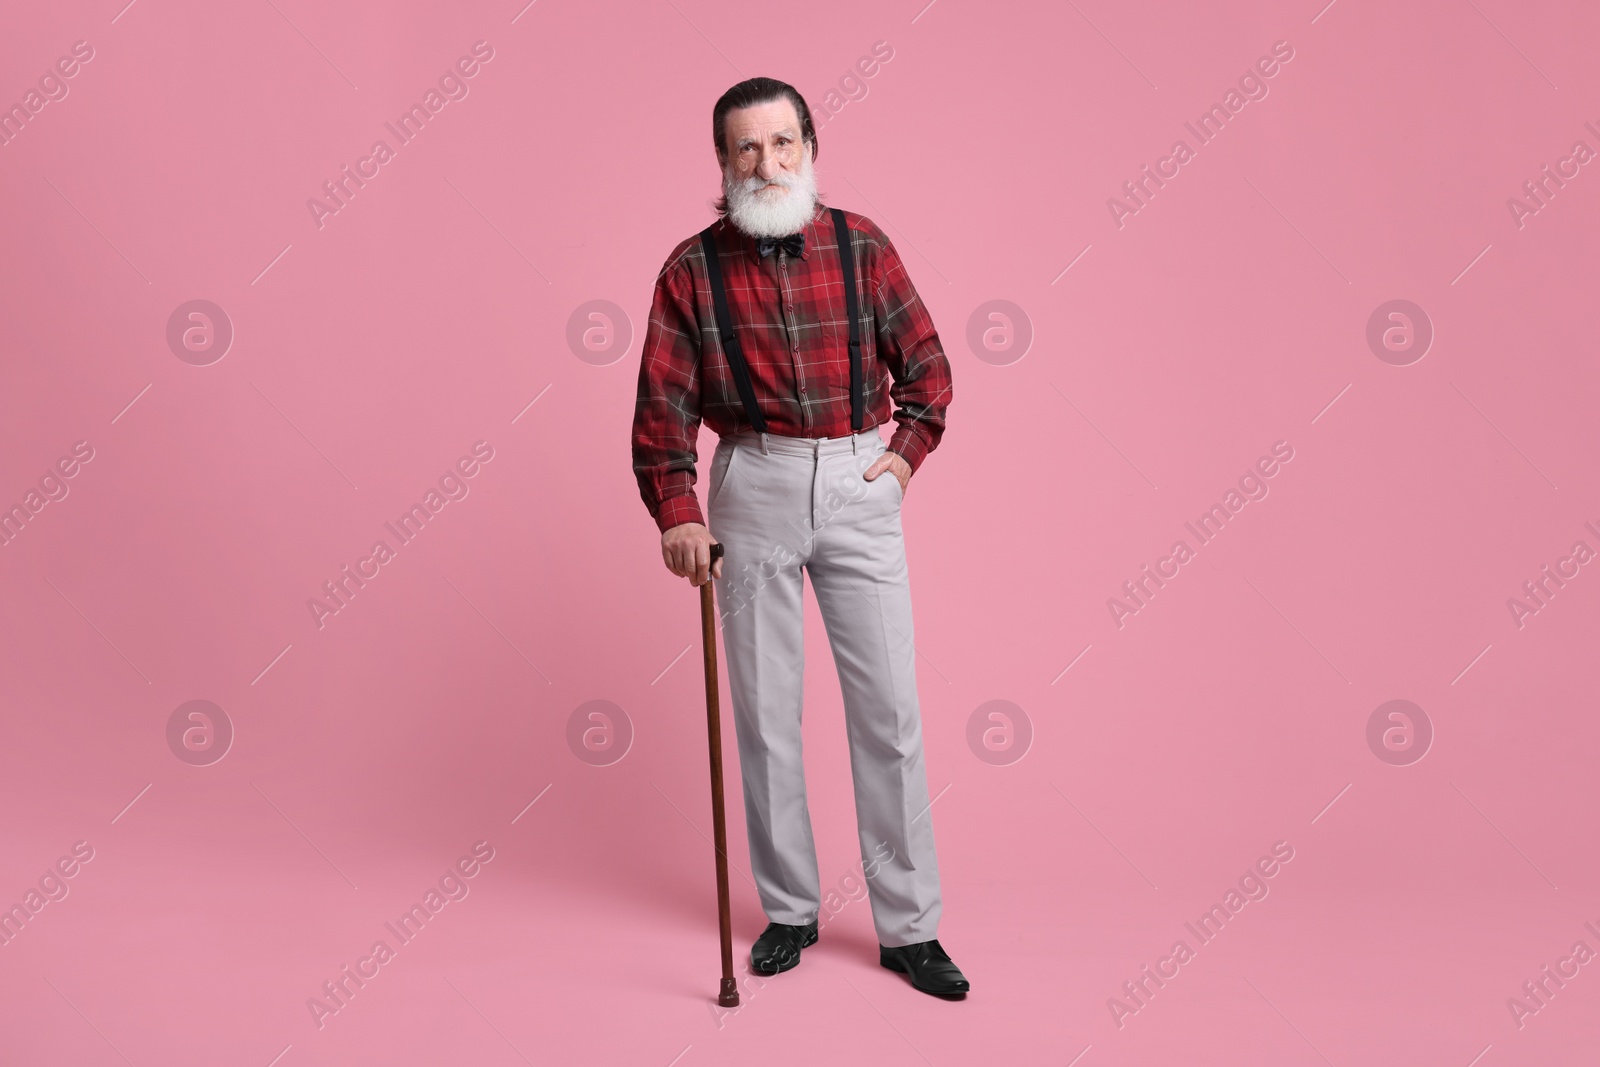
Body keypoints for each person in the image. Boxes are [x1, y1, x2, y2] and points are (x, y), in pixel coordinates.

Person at [630, 76, 967, 998]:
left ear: (811, 146)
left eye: (782, 144)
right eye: (745, 148)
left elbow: (929, 371)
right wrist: (680, 513)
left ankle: (909, 927)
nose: (765, 163)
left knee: (890, 712)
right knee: (767, 712)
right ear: (722, 162)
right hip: (754, 482)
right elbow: (662, 413)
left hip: (858, 478)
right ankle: (790, 909)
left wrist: (899, 460)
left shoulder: (863, 246)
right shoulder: (690, 270)